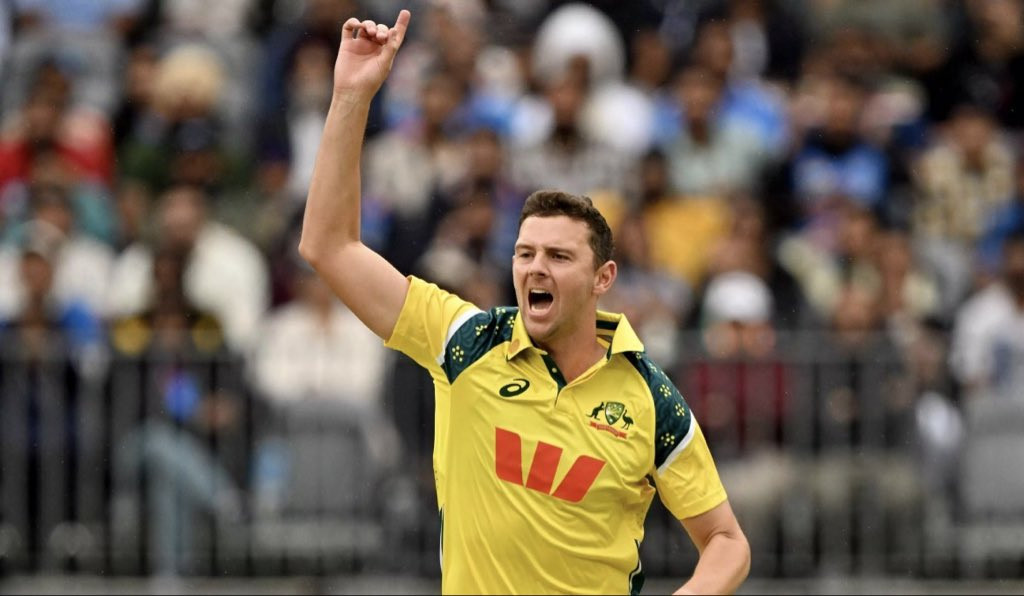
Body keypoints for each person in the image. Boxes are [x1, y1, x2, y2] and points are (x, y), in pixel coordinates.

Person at [298, 10, 750, 595]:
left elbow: (726, 541)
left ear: (603, 278)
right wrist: (350, 96)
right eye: (524, 253)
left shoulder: (650, 396)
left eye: (558, 257)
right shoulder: (465, 341)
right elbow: (329, 246)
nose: (536, 267)